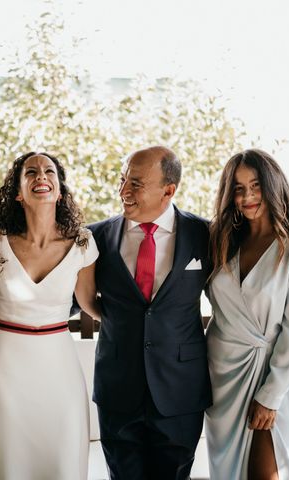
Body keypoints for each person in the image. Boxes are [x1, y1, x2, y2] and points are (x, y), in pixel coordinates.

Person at [0, 152, 101, 480]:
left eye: (49, 171)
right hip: (6, 367)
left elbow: (88, 303)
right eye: (31, 172)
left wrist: (134, 324)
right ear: (17, 191)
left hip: (59, 367)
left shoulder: (83, 241)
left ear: (59, 189)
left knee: (60, 455)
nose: (41, 176)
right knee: (5, 457)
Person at [89, 146, 212, 480]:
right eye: (122, 180)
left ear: (169, 190)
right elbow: (73, 299)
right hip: (118, 388)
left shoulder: (205, 235)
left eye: (136, 183)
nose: (123, 191)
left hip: (180, 390)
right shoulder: (95, 237)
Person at [205, 148, 289, 480]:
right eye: (239, 189)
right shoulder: (222, 240)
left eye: (256, 186)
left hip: (271, 378)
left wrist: (271, 395)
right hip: (222, 380)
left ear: (273, 186)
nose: (247, 196)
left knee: (267, 472)